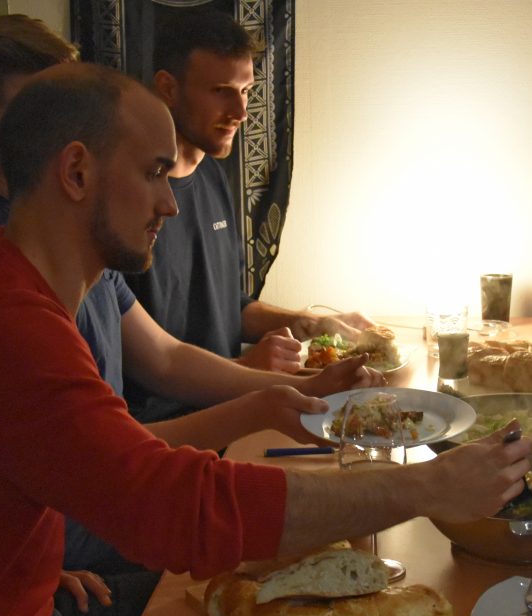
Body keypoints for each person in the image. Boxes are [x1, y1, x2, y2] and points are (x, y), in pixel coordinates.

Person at [0, 63, 532, 616]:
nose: (171, 202)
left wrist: (22, 561)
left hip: (26, 615)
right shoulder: (2, 321)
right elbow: (177, 512)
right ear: (76, 172)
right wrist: (431, 483)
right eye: (155, 172)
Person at [0, 13, 382, 573]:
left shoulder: (70, 244)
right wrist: (415, 490)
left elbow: (164, 356)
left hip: (76, 536)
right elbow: (113, 469)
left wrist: (288, 391)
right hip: (56, 576)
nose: (168, 203)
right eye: (152, 174)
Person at [124, 11, 374, 422]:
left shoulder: (212, 176)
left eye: (245, 90)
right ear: (168, 88)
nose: (241, 110)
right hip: (177, 433)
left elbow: (228, 306)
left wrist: (310, 323)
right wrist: (247, 370)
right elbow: (150, 366)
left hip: (237, 406)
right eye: (222, 90)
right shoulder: (131, 203)